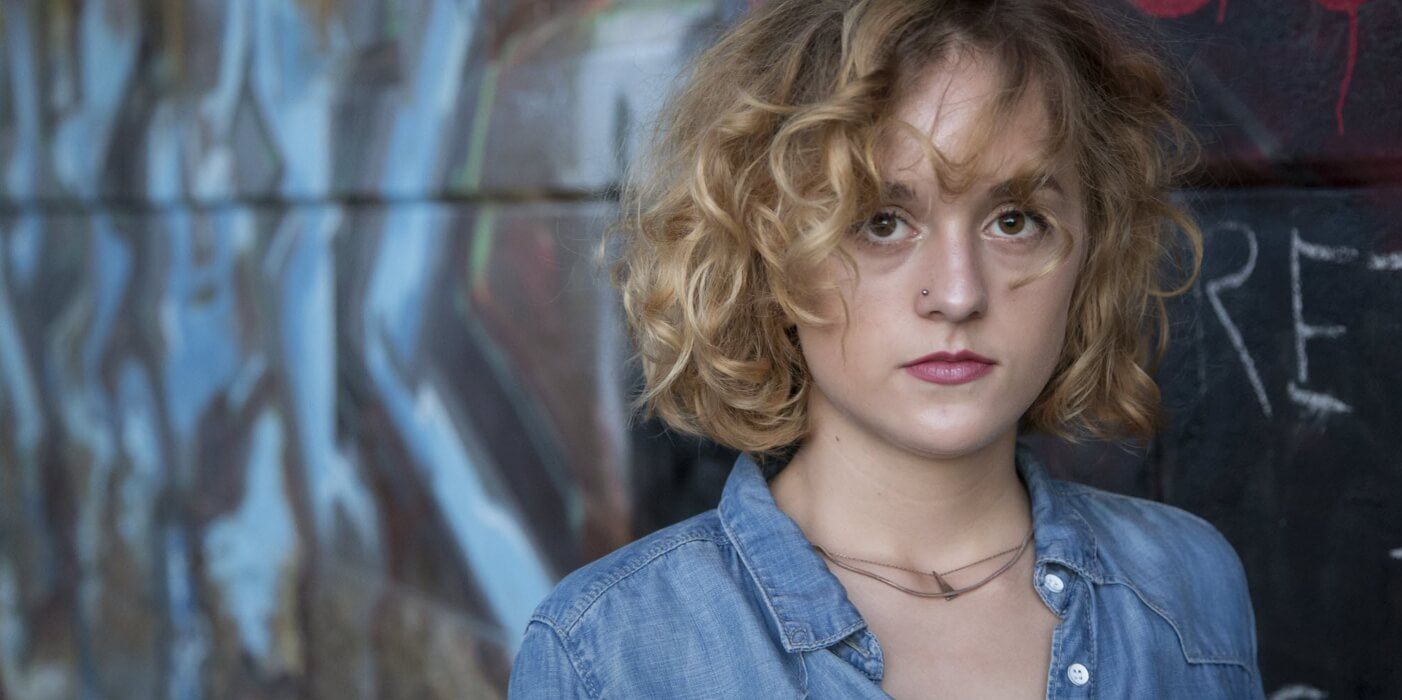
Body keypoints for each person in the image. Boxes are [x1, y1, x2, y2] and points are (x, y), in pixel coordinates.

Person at [510, 0, 1264, 697]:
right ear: (766, 252)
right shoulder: (608, 652)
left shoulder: (1185, 589)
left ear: (1090, 248)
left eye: (1014, 220)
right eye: (880, 222)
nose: (958, 294)